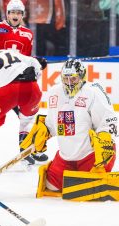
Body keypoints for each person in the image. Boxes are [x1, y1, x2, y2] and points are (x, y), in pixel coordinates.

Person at [20, 59, 118, 197]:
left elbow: (109, 120)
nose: (70, 82)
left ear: (82, 76)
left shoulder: (93, 92)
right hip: (66, 156)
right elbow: (56, 123)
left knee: (85, 190)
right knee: (50, 186)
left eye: (73, 78)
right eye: (66, 79)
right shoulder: (55, 93)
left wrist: (105, 137)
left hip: (91, 155)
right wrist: (45, 130)